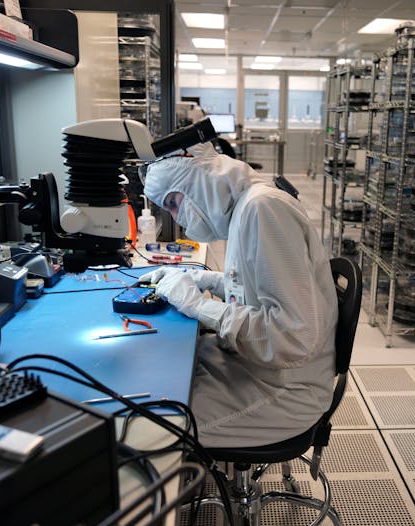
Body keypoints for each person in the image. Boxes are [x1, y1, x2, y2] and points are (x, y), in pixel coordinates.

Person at [139, 144, 338, 448]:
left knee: (148, 428)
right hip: (261, 366)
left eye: (174, 203)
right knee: (161, 377)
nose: (177, 217)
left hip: (286, 390)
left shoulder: (263, 209)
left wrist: (198, 305)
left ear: (198, 183)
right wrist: (204, 279)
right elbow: (258, 285)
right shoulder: (248, 205)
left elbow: (294, 338)